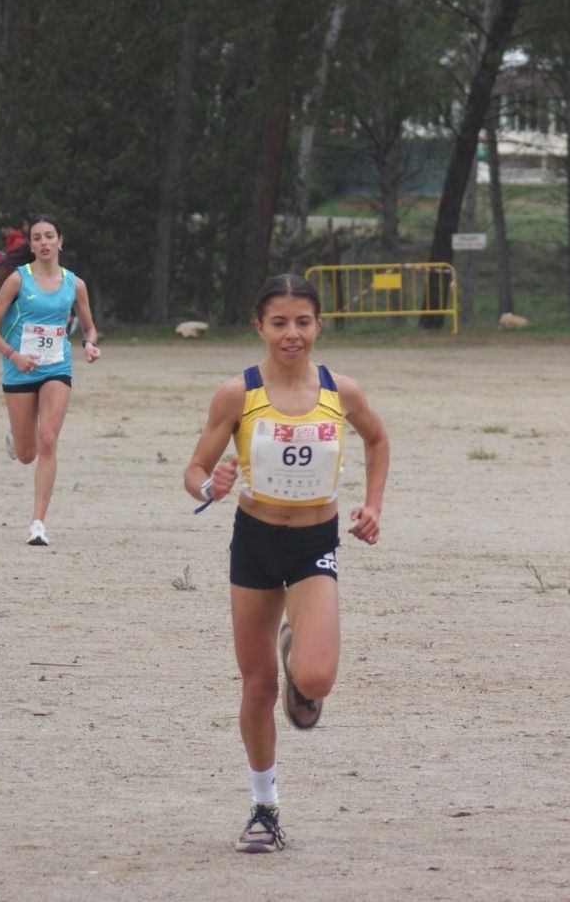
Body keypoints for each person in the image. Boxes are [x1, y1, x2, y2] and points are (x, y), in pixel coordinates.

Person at [183, 273, 389, 854]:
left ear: (319, 325)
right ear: (260, 327)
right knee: (257, 688)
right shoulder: (237, 395)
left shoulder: (340, 391)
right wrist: (210, 487)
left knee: (316, 678)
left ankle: (298, 645)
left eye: (303, 322)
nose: (292, 333)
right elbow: (194, 470)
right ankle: (264, 806)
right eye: (280, 323)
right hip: (254, 540)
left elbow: (377, 439)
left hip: (313, 541)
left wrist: (371, 504)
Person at [0, 215, 101, 547]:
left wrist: (89, 343)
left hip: (56, 367)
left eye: (50, 236)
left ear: (61, 241)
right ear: (31, 245)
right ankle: (17, 437)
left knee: (48, 438)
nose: (44, 242)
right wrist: (13, 354)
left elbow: (89, 327)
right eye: (37, 238)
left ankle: (37, 523)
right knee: (27, 453)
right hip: (18, 369)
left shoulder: (75, 284)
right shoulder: (19, 280)